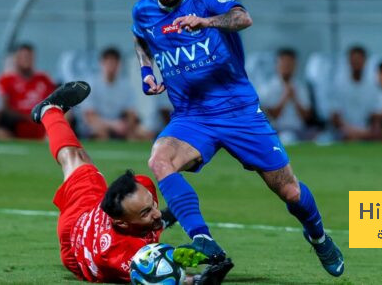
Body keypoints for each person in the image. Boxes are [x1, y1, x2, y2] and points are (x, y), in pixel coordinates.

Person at [131, 0, 343, 277]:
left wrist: (207, 21)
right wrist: (145, 71)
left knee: (289, 191)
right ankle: (203, 239)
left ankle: (318, 236)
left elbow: (243, 18)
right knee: (159, 158)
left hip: (238, 112)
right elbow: (140, 36)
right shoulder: (144, 10)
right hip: (192, 117)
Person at [29, 81, 234, 284]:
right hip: (74, 240)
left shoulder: (142, 186)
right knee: (72, 159)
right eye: (145, 212)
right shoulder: (116, 255)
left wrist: (158, 218)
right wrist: (200, 280)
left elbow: (145, 209)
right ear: (121, 222)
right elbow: (158, 277)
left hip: (87, 209)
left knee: (75, 157)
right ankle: (50, 110)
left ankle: (48, 110)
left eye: (151, 205)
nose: (155, 210)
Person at [80, 48, 153, 141]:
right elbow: (90, 116)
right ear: (101, 63)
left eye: (114, 62)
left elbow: (131, 113)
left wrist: (127, 127)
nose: (112, 66)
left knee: (145, 134)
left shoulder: (126, 86)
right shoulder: (91, 84)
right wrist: (113, 125)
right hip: (97, 125)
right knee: (100, 133)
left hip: (120, 126)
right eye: (109, 62)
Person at [0, 43, 56, 139]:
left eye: (29, 56)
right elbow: (4, 109)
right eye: (23, 56)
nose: (26, 60)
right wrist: (28, 117)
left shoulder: (44, 79)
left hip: (43, 126)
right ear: (15, 58)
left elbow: (54, 102)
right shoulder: (5, 80)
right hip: (17, 128)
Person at [260, 48, 314, 144]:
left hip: (299, 130)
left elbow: (306, 116)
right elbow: (271, 115)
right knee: (287, 138)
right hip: (277, 130)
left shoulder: (300, 86)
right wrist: (285, 97)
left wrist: (295, 98)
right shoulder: (268, 87)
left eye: (290, 64)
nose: (287, 67)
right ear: (277, 64)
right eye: (284, 63)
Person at [330, 46, 382, 141]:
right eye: (353, 59)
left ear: (365, 61)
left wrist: (374, 130)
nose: (356, 62)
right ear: (348, 61)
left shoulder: (373, 86)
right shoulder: (338, 85)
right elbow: (335, 116)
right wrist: (349, 129)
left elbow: (376, 115)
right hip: (344, 130)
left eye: (359, 59)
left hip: (367, 131)